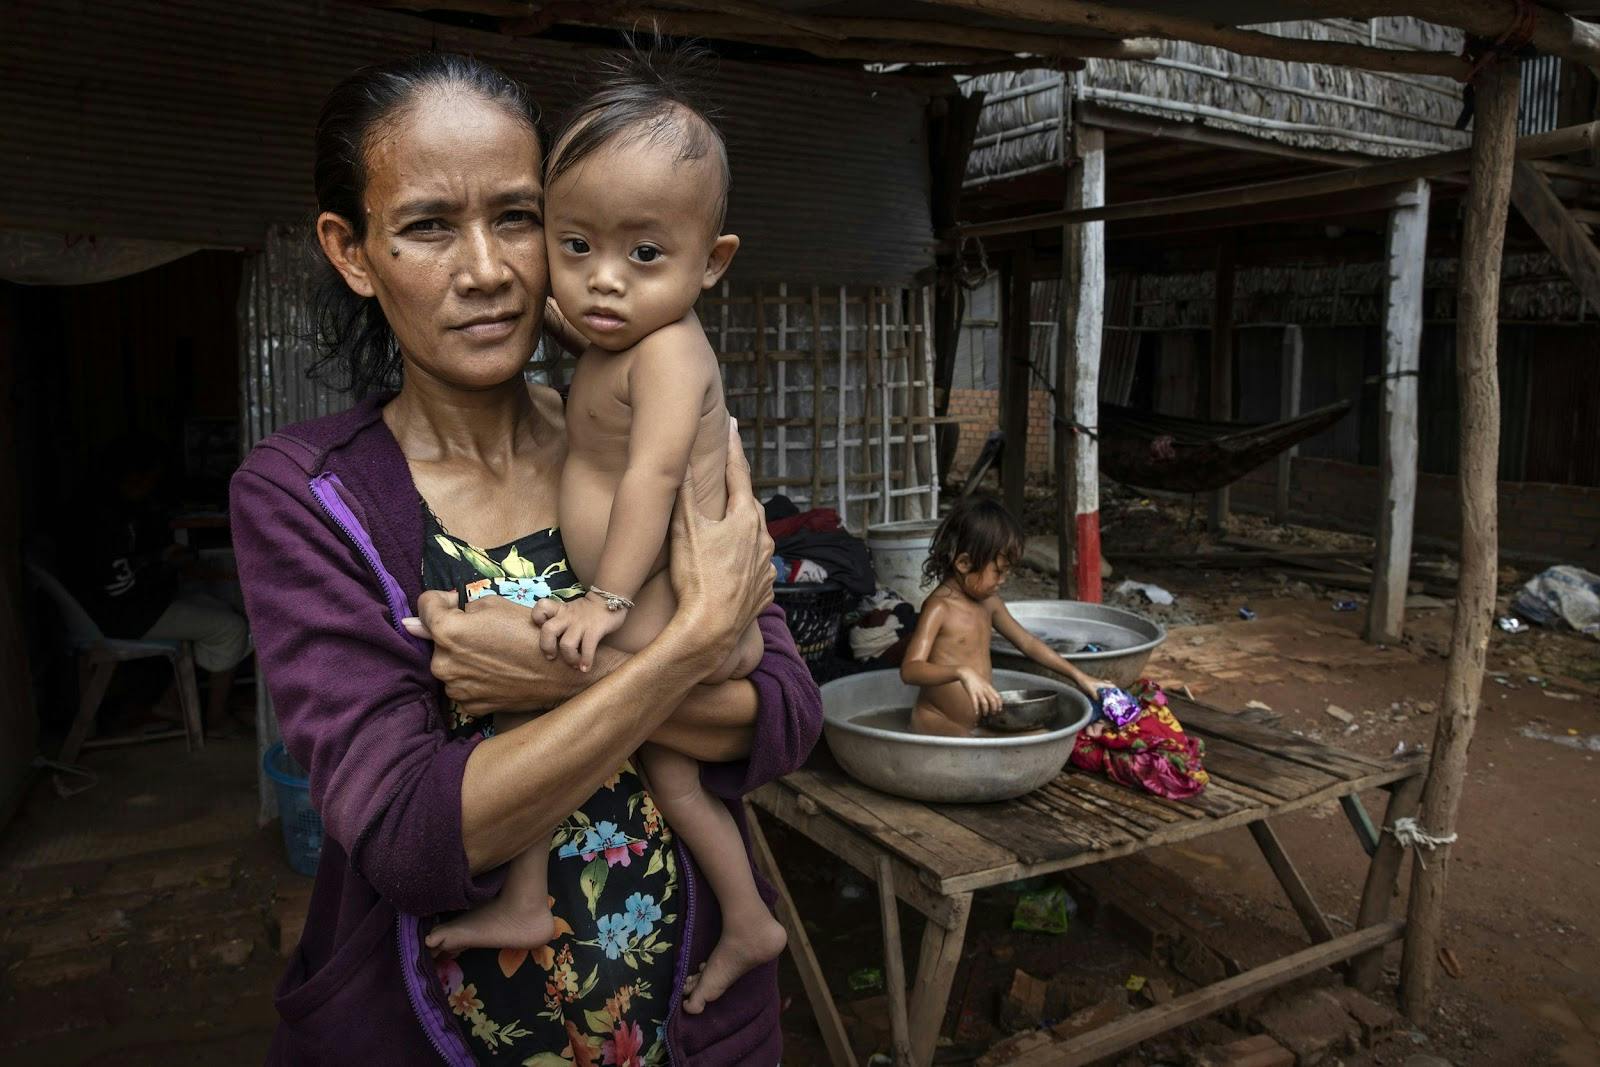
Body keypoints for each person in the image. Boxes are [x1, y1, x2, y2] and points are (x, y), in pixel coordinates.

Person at [230, 52, 821, 1066]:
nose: (490, 268)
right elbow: (414, 833)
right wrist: (684, 651)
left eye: (514, 216)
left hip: (687, 1026)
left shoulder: (638, 440)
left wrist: (547, 676)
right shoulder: (305, 494)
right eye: (426, 225)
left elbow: (784, 711)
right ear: (354, 250)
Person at [423, 54, 784, 1018]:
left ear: (711, 264)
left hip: (662, 605)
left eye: (644, 256)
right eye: (574, 246)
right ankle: (746, 916)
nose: (602, 284)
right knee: (673, 775)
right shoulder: (616, 334)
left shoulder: (668, 353)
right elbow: (576, 315)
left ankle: (526, 896)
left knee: (534, 697)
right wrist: (541, 302)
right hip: (673, 624)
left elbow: (654, 479)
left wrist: (605, 601)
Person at [73, 441, 250, 736]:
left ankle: (171, 702)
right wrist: (166, 568)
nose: (150, 489)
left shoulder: (111, 511)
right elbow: (120, 586)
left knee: (220, 610)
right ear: (132, 479)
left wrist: (159, 558)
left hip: (129, 606)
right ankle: (217, 718)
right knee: (230, 626)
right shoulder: (102, 521)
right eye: (148, 482)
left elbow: (127, 568)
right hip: (122, 615)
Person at [900, 496, 1113, 737]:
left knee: (1041, 737)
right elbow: (910, 670)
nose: (1002, 581)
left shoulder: (989, 603)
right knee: (982, 755)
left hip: (977, 723)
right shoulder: (939, 608)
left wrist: (1080, 677)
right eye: (998, 572)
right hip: (937, 721)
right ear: (963, 563)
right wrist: (961, 672)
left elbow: (1029, 643)